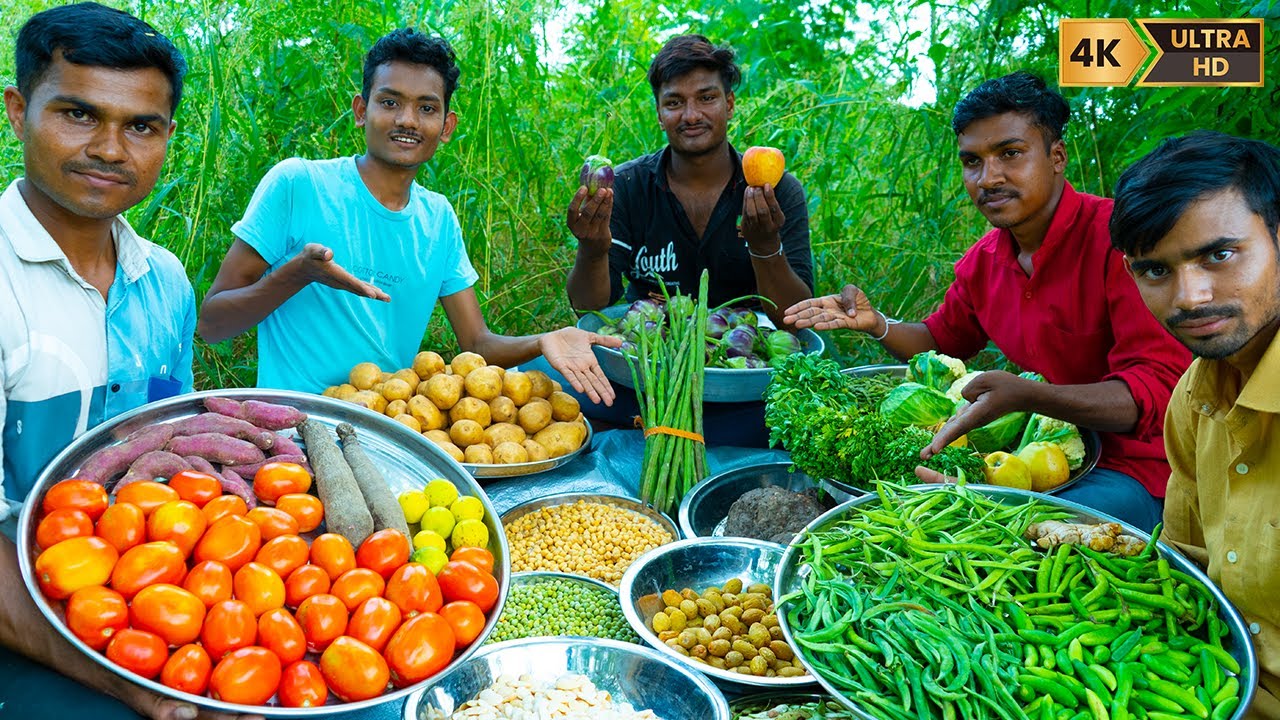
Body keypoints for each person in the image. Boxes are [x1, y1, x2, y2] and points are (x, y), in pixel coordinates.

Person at [784, 71, 1190, 531]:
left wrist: (1032, 396)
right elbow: (939, 339)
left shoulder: (1121, 242)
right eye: (972, 161)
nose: (989, 177)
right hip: (1033, 457)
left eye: (1010, 154)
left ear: (1057, 156)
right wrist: (877, 324)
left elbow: (1153, 394)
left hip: (1137, 470)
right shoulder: (985, 261)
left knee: (981, 535)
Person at [0, 6, 240, 719]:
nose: (110, 148)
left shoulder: (163, 280)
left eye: (140, 126)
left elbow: (171, 451)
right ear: (18, 112)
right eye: (78, 114)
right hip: (24, 619)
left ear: (167, 137)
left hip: (152, 594)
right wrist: (129, 683)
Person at [199, 29, 620, 404]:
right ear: (361, 110)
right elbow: (212, 324)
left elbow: (477, 342)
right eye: (390, 102)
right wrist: (296, 274)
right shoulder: (297, 185)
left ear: (447, 125)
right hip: (289, 429)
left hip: (389, 427)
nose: (406, 120)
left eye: (426, 108)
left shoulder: (438, 218)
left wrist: (545, 339)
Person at [538, 34, 815, 446]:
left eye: (706, 98)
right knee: (548, 385)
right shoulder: (629, 186)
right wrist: (592, 248)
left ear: (730, 104)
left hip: (744, 381)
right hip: (644, 375)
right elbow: (590, 304)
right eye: (674, 102)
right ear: (658, 111)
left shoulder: (773, 189)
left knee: (802, 414)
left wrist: (764, 248)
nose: (691, 115)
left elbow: (795, 315)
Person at [1109, 131, 1280, 719]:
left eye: (1219, 254)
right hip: (1208, 689)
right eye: (1155, 269)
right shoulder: (1195, 397)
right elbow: (1186, 574)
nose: (1191, 297)